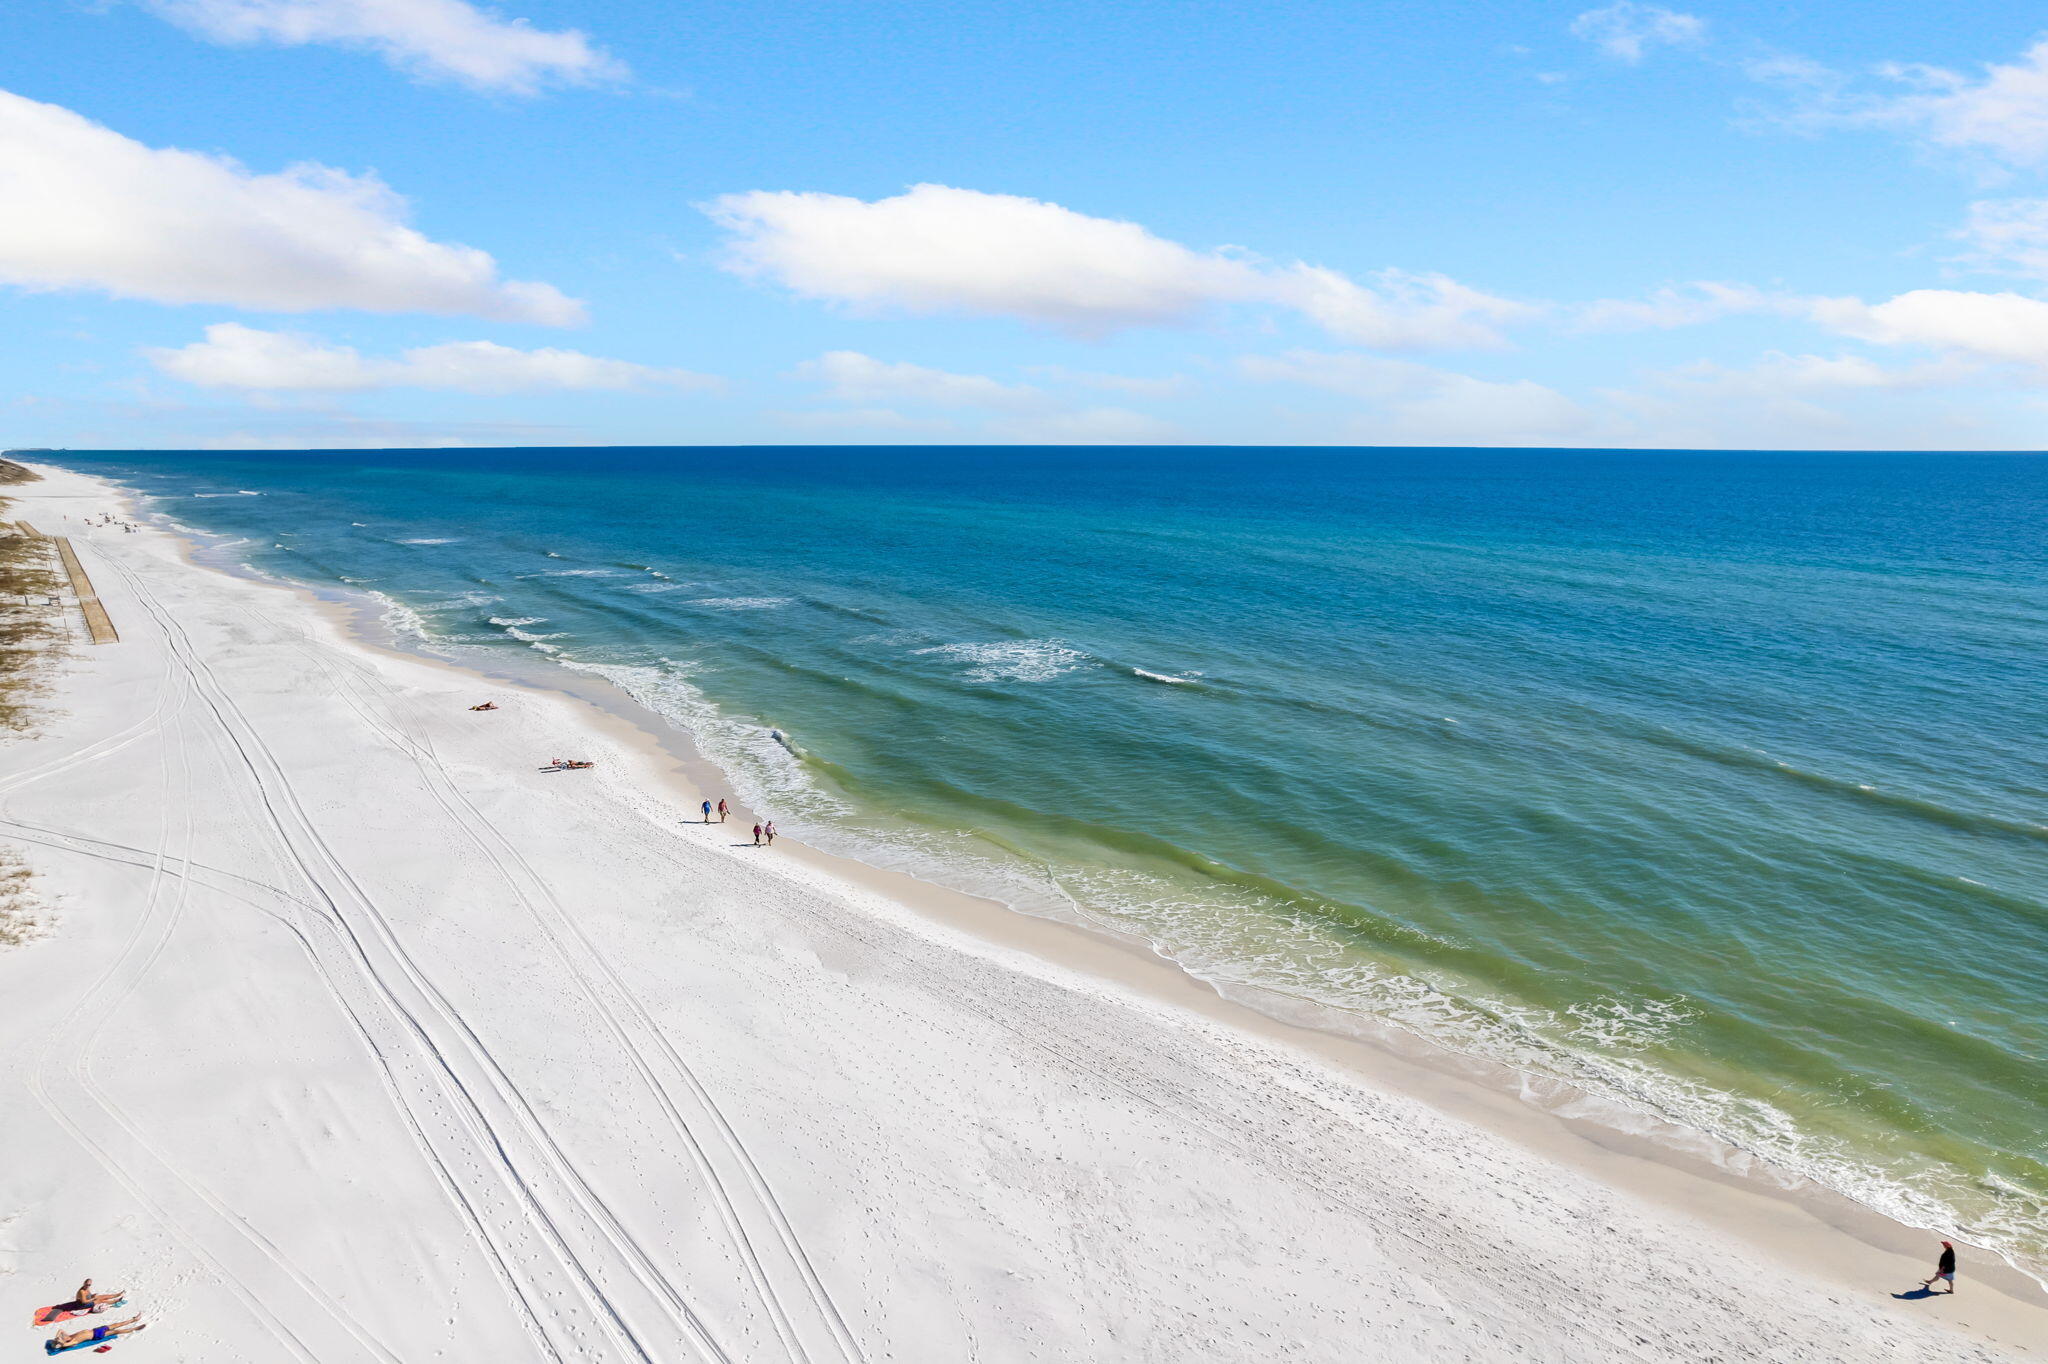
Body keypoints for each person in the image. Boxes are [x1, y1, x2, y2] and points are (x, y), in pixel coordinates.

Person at [50, 1313, 146, 1349]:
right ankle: (135, 1329)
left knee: (117, 1324)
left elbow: (60, 1330)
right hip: (97, 1335)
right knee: (117, 1331)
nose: (64, 1336)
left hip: (97, 1329)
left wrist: (57, 1337)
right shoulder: (73, 1341)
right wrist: (60, 1342)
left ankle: (134, 1319)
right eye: (63, 1338)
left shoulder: (69, 1336)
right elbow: (64, 1345)